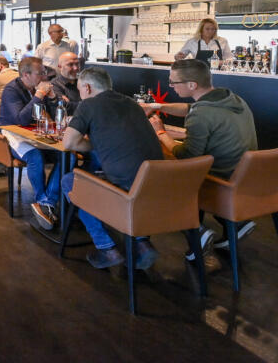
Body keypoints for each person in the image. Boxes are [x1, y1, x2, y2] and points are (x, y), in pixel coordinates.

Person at [146, 59, 258, 256]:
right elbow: (192, 109)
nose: (170, 86)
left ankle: (196, 233)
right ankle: (234, 223)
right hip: (246, 178)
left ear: (191, 85)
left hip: (221, 182)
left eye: (173, 82)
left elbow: (187, 156)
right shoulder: (231, 98)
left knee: (166, 181)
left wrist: (161, 133)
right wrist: (159, 106)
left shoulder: (202, 114)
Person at [61, 67, 163, 269]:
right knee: (111, 171)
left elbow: (69, 143)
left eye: (81, 89)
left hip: (126, 192)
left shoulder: (88, 105)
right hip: (157, 187)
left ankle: (107, 248)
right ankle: (141, 244)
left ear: (87, 87)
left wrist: (93, 144)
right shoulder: (132, 104)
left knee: (70, 182)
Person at [0, 57, 62, 230]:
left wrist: (53, 98)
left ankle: (48, 201)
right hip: (10, 134)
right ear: (26, 74)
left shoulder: (35, 88)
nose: (44, 76)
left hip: (33, 134)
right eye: (40, 73)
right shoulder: (12, 89)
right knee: (35, 157)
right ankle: (42, 199)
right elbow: (20, 119)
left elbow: (56, 116)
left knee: (64, 155)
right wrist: (39, 95)